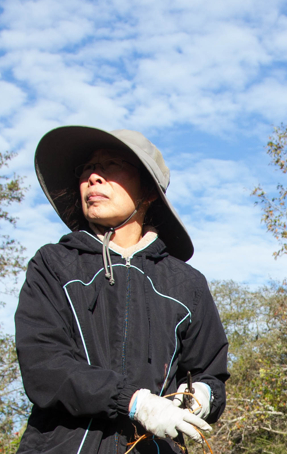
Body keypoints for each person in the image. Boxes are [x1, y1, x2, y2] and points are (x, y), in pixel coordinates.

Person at [15, 126, 229, 453]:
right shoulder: (54, 265)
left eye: (111, 165)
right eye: (85, 169)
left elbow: (210, 374)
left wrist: (201, 397)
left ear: (149, 191)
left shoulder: (188, 284)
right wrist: (134, 402)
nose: (93, 178)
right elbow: (44, 365)